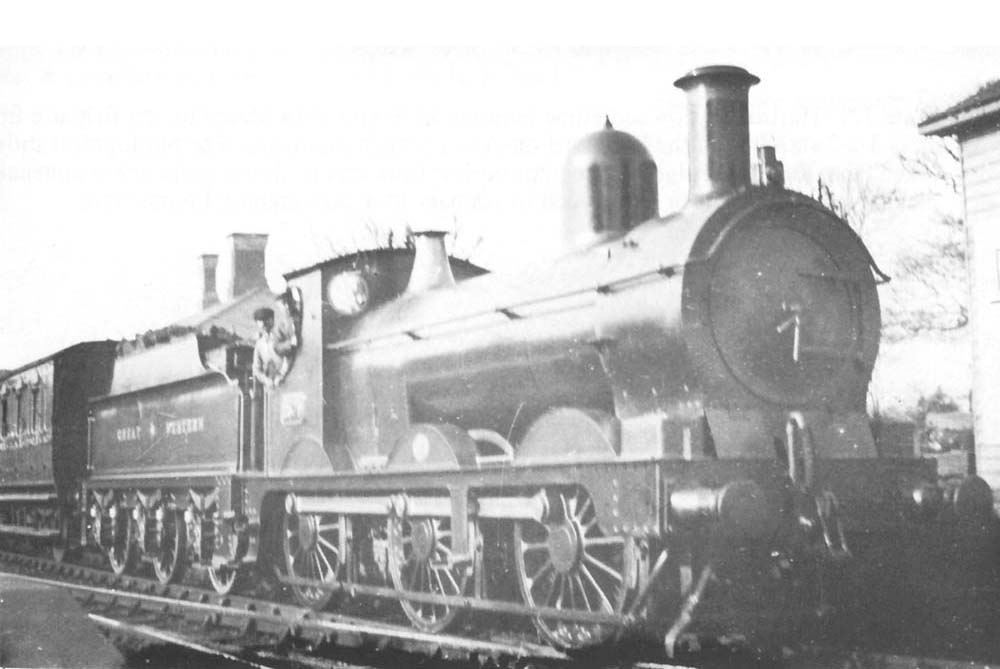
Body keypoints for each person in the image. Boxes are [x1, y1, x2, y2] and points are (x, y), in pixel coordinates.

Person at [252, 307, 289, 388]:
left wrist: (281, 375)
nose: (264, 324)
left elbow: (289, 357)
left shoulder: (281, 336)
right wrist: (265, 379)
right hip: (271, 385)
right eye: (260, 321)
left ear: (272, 320)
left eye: (267, 320)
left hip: (288, 377)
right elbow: (256, 368)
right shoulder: (259, 344)